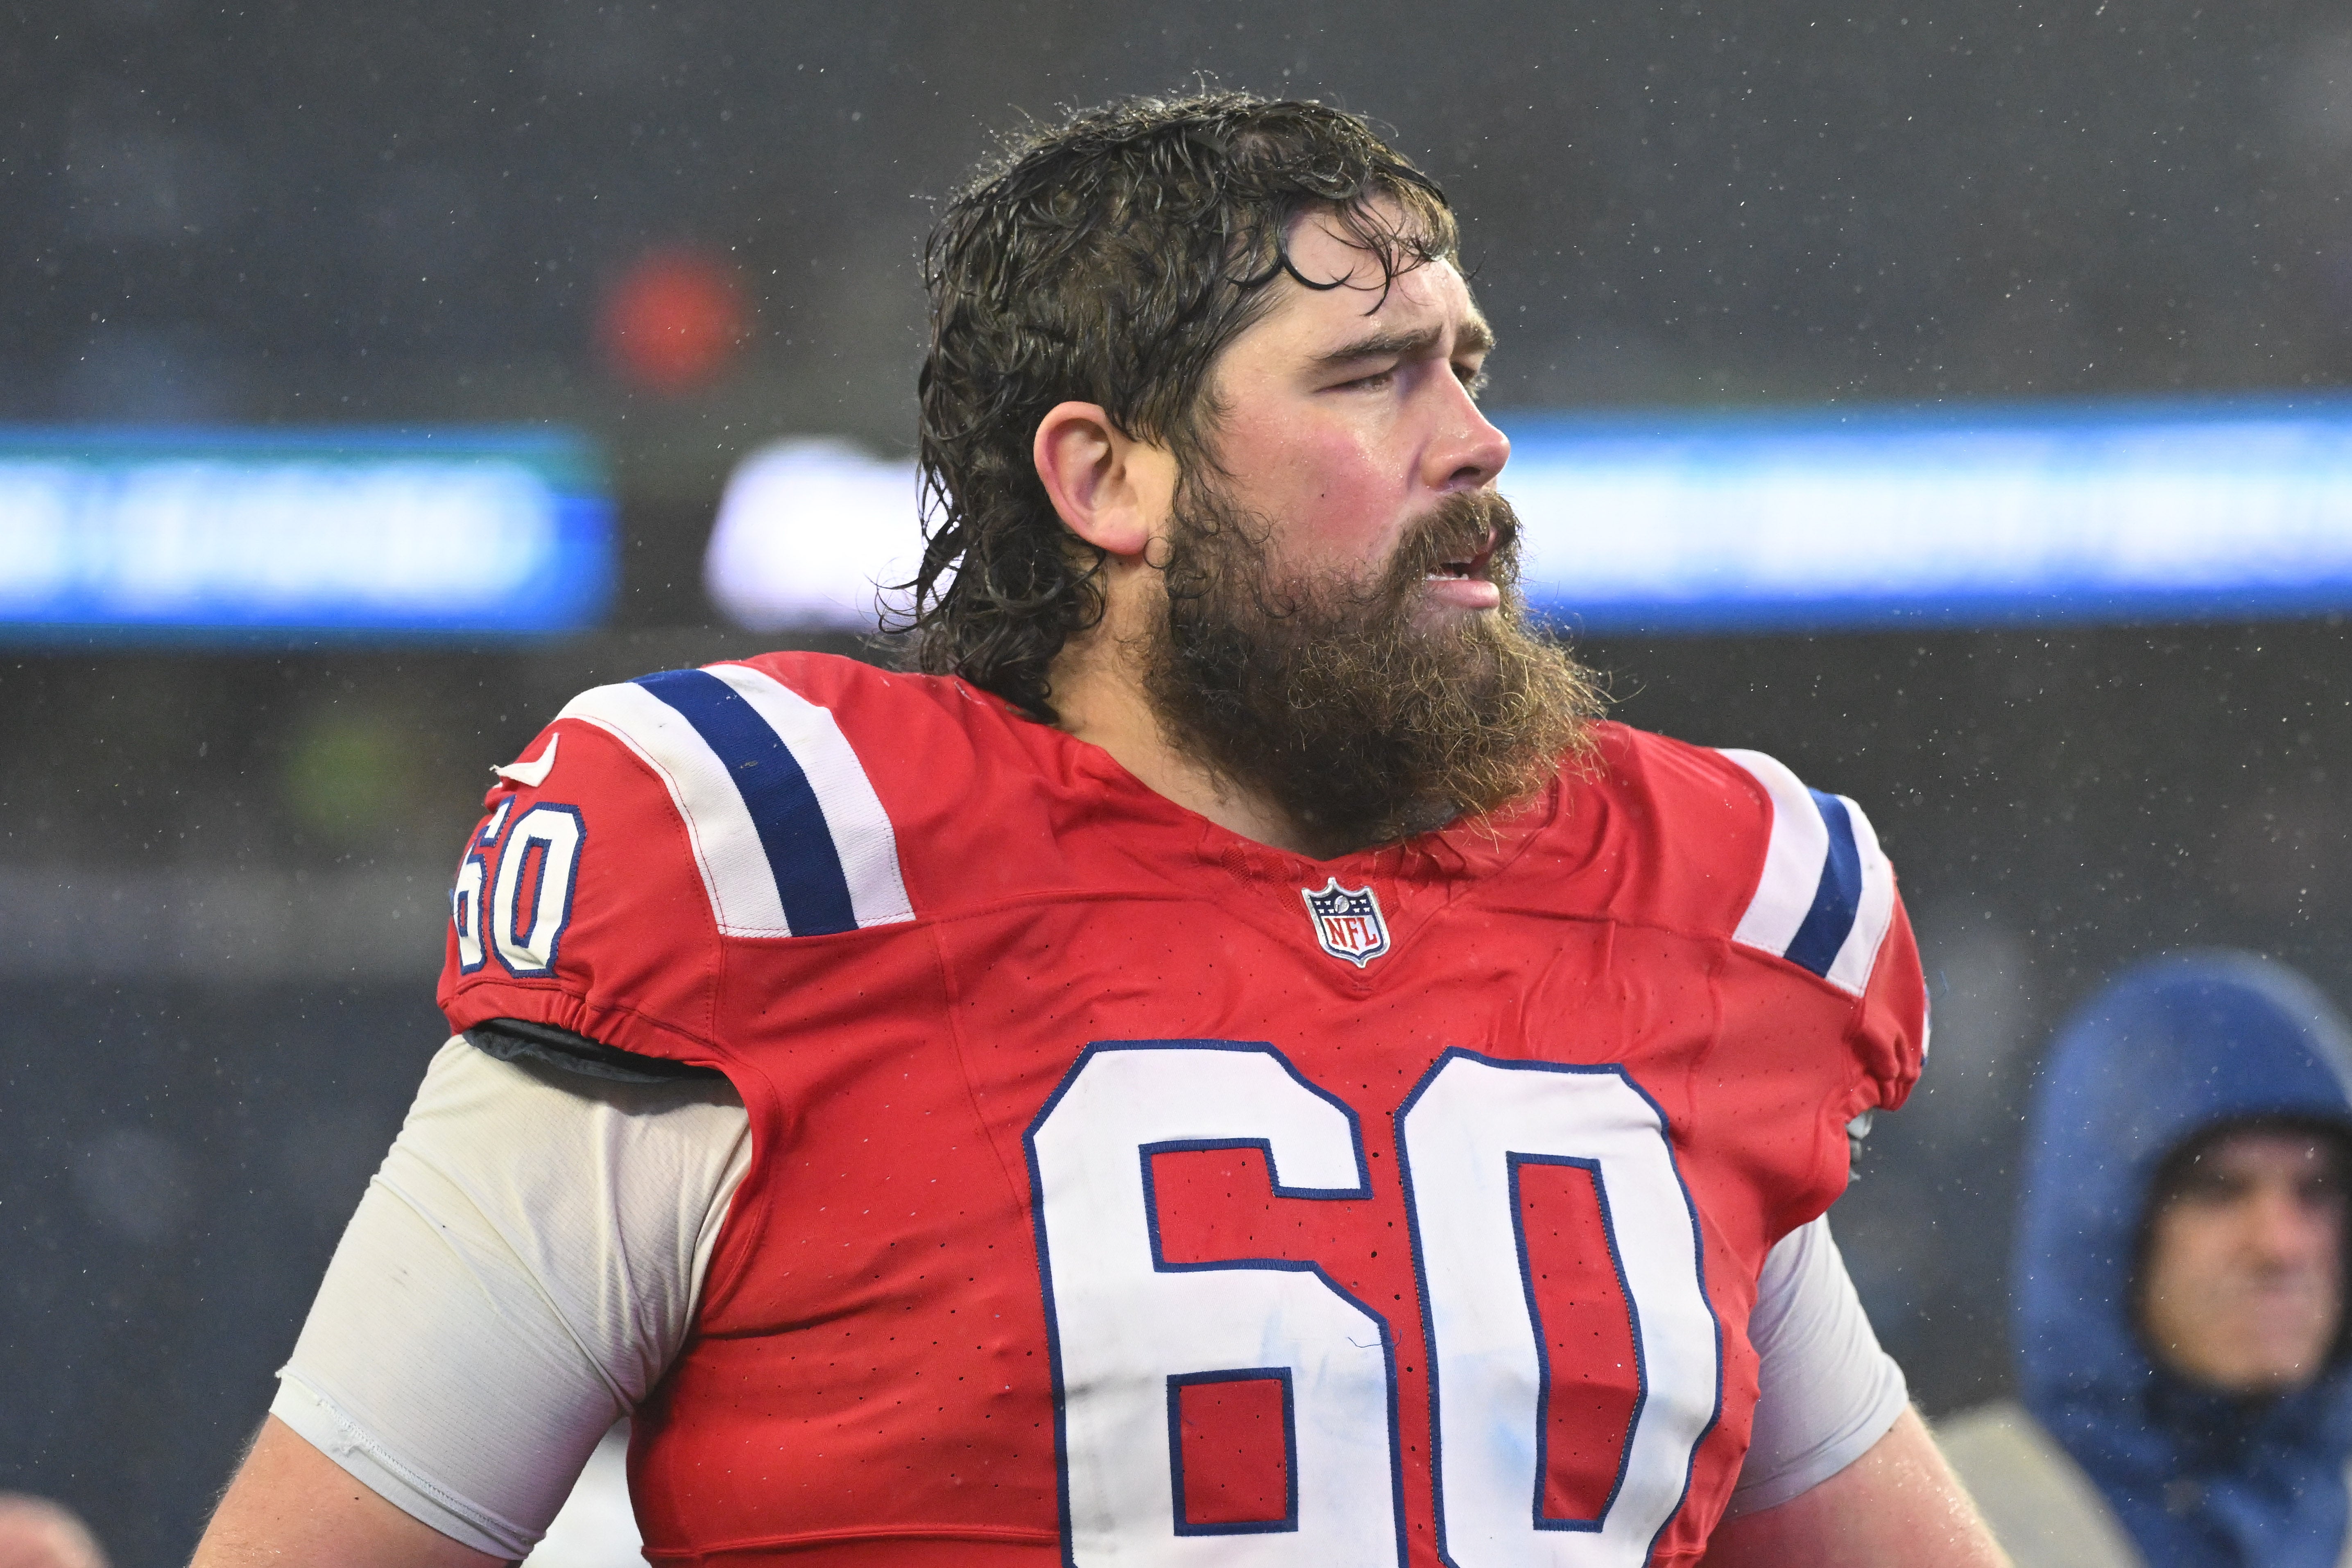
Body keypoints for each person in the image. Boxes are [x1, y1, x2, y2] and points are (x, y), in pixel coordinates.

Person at [193, 93, 2005, 1566]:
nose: (1476, 443)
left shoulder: (1700, 913)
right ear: (1103, 477)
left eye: (1467, 363)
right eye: (1372, 373)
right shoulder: (780, 866)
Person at [1941, 950, 2352, 1568]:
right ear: (2104, 1228)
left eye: (2316, 1191)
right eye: (2220, 1189)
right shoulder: (1936, 1518)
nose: (2281, 1245)